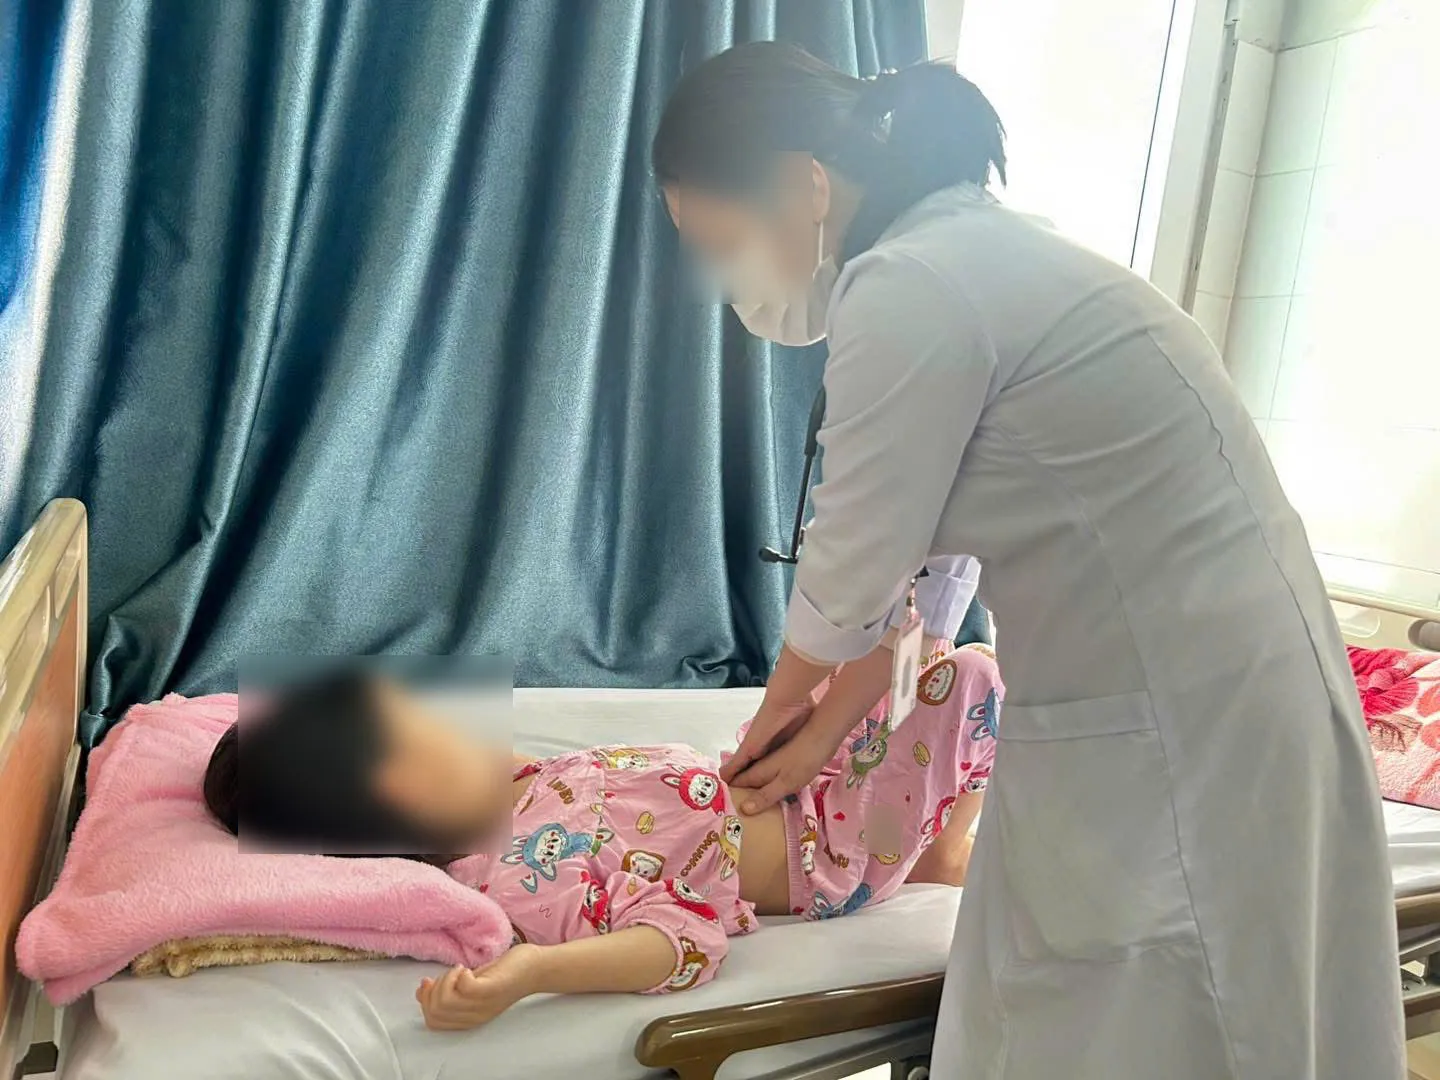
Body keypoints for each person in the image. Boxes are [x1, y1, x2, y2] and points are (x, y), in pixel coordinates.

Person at [650, 41, 1404, 1080]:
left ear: (802, 185)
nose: (728, 282)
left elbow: (847, 576)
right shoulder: (973, 256)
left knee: (1163, 1012)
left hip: (1186, 712)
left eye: (725, 244)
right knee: (1125, 999)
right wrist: (813, 735)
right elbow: (925, 592)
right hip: (1208, 685)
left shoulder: (911, 284)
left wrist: (769, 730)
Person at [203, 644, 1002, 1029]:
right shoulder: (525, 879)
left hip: (783, 779)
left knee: (893, 649)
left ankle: (936, 842)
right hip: (828, 849)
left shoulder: (514, 784)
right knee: (970, 675)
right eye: (420, 728)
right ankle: (939, 850)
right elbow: (683, 941)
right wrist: (533, 973)